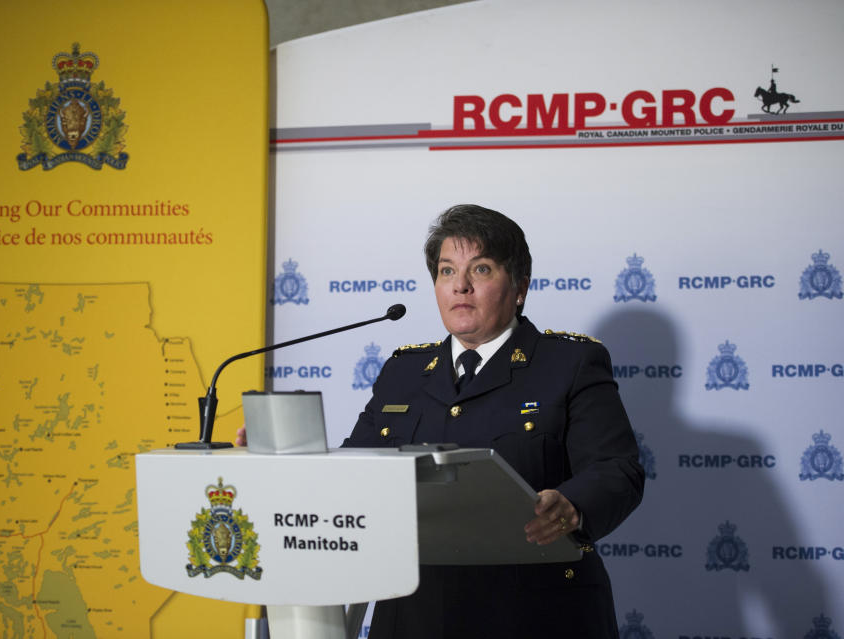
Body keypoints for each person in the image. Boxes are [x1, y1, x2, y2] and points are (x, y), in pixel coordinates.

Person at [239, 204, 644, 638]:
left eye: (481, 269)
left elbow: (616, 469)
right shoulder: (404, 372)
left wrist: (573, 505)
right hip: (416, 612)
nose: (461, 287)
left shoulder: (569, 363)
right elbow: (355, 470)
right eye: (447, 271)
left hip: (534, 611)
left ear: (520, 286)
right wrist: (283, 457)